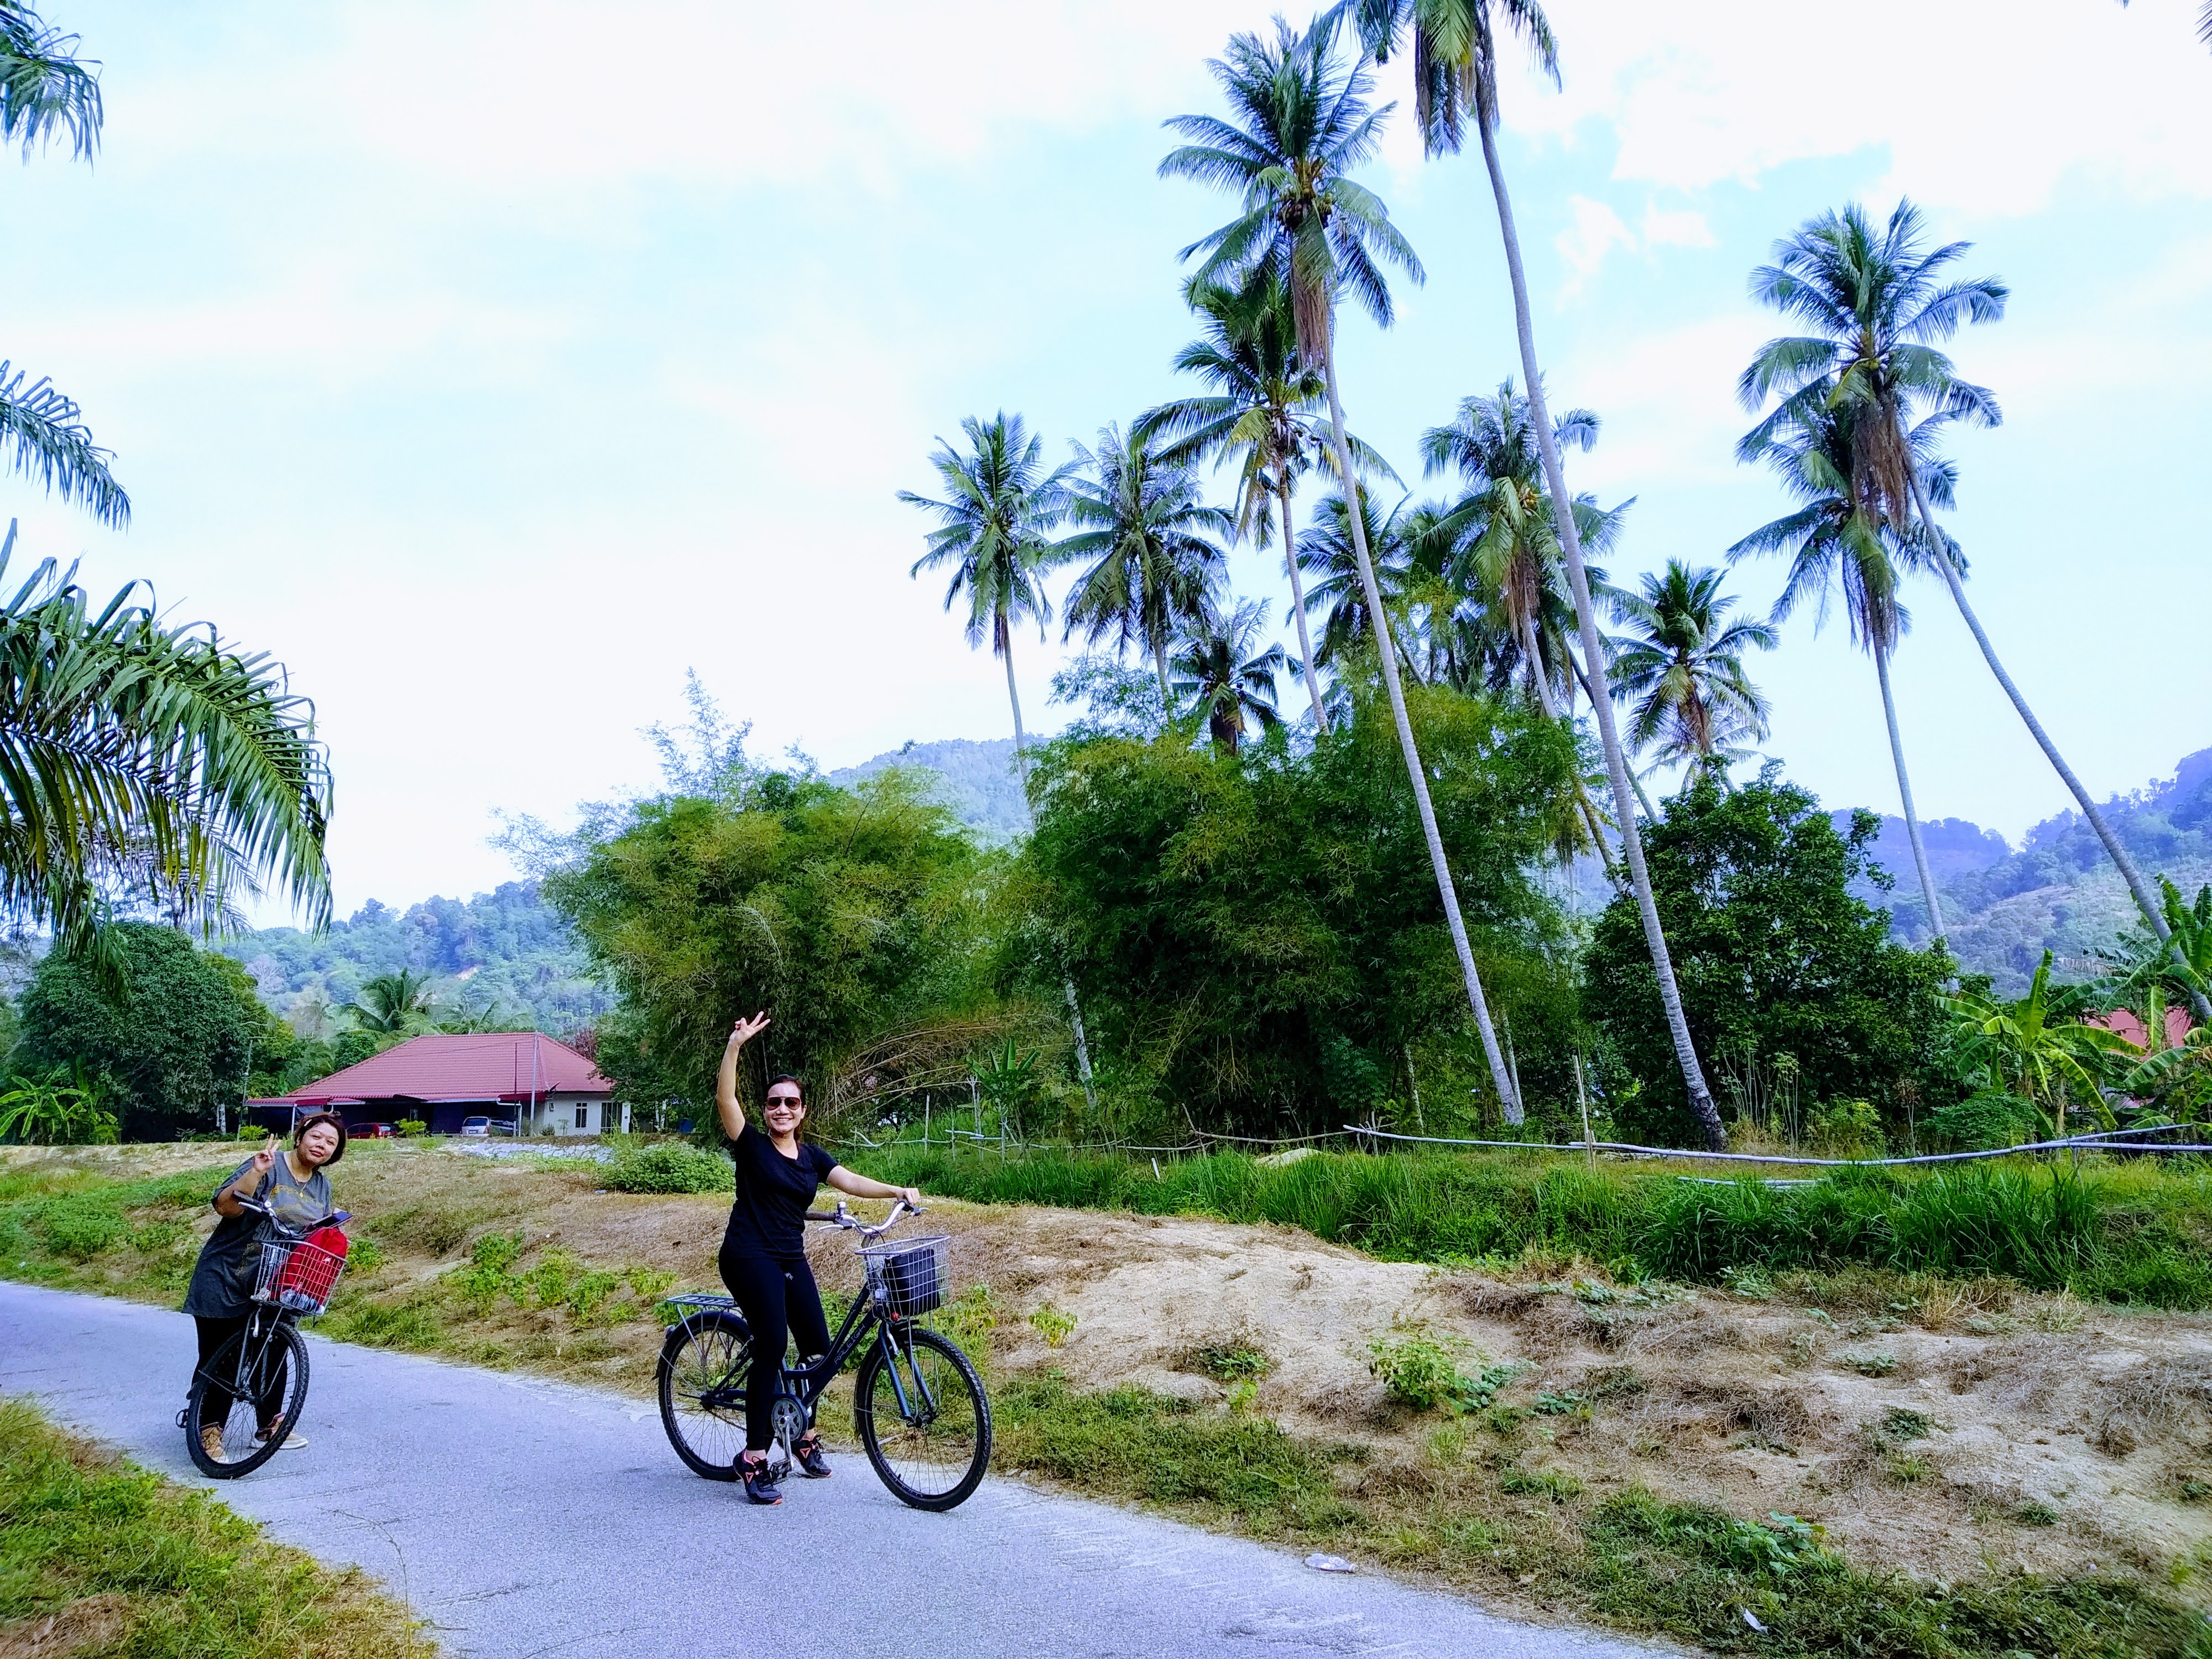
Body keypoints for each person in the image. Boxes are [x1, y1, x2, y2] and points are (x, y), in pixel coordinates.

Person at [717, 1011, 920, 1506]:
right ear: (765, 1111)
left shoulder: (811, 1158)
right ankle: (755, 1457)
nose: (781, 1109)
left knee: (818, 1350)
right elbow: (726, 1099)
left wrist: (896, 1190)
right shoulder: (752, 1148)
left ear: (802, 1111)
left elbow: (851, 1182)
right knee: (772, 1344)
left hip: (788, 1256)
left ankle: (801, 1431)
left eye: (790, 1103)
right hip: (748, 1255)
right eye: (773, 1103)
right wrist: (735, 1046)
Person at [181, 1114, 346, 1461]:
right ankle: (209, 1430)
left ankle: (269, 1424)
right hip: (228, 1272)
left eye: (330, 1143)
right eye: (316, 1137)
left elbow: (315, 1230)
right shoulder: (269, 1164)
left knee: (274, 1347)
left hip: (276, 1276)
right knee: (221, 1356)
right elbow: (225, 1207)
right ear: (300, 1137)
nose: (322, 1145)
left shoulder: (322, 1186)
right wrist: (256, 1172)